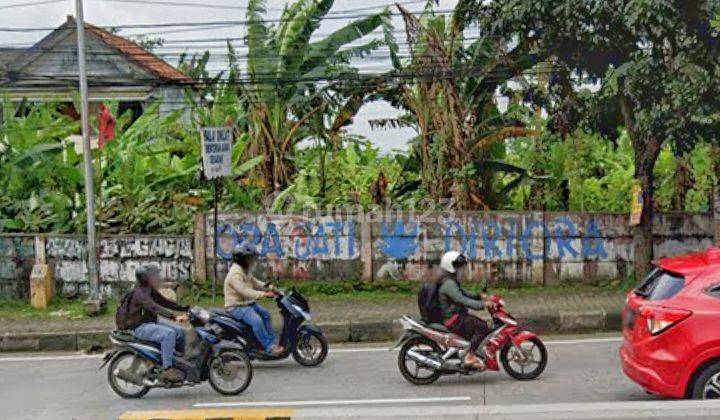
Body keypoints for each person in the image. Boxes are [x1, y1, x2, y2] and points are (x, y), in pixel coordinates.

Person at [121, 265, 189, 382]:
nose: (158, 278)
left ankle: (180, 363)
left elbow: (163, 302)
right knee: (169, 334)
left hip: (149, 323)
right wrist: (173, 316)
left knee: (180, 332)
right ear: (145, 278)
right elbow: (154, 308)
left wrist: (184, 308)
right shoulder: (140, 293)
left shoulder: (149, 290)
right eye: (154, 276)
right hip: (139, 327)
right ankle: (167, 369)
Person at [224, 245, 284, 355]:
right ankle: (269, 347)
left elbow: (255, 282)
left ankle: (272, 341)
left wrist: (270, 287)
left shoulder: (244, 270)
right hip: (236, 306)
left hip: (246, 304)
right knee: (257, 321)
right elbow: (245, 291)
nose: (252, 260)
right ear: (242, 259)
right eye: (249, 258)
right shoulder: (235, 274)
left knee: (266, 315)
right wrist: (264, 294)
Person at [437, 251, 490, 369]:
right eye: (460, 267)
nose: (462, 270)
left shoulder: (451, 281)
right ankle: (469, 356)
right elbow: (462, 300)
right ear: (451, 267)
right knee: (483, 327)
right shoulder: (449, 284)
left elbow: (464, 294)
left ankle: (468, 350)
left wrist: (478, 296)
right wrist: (482, 305)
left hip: (457, 316)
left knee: (476, 324)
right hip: (454, 319)